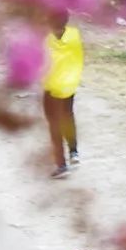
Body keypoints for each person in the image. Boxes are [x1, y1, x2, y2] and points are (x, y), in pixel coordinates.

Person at [42, 11, 84, 178]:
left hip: (53, 86)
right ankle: (74, 152)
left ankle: (61, 164)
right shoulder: (74, 34)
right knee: (68, 116)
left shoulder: (46, 39)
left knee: (54, 123)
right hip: (70, 84)